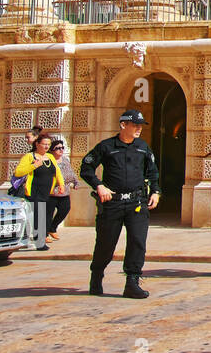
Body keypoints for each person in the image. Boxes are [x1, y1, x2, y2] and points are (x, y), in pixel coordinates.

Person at [80, 110, 160, 299]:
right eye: (135, 125)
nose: (139, 129)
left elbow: (152, 172)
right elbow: (86, 168)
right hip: (112, 203)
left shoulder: (142, 147)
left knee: (137, 242)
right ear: (123, 125)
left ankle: (132, 281)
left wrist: (156, 191)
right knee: (106, 244)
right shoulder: (107, 147)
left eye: (141, 125)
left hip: (137, 202)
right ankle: (97, 274)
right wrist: (99, 186)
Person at [14, 133, 62, 251]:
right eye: (44, 144)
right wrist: (33, 166)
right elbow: (18, 172)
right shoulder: (29, 157)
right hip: (34, 191)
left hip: (47, 192)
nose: (46, 147)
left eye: (48, 144)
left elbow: (57, 172)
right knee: (38, 217)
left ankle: (38, 239)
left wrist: (61, 184)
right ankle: (39, 242)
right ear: (37, 144)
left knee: (43, 216)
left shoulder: (50, 157)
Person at [45, 137, 79, 242]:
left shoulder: (65, 159)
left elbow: (71, 172)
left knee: (65, 209)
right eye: (57, 148)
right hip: (51, 192)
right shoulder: (48, 160)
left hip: (64, 191)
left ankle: (52, 228)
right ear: (51, 150)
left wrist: (75, 182)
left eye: (62, 147)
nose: (61, 150)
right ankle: (44, 234)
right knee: (48, 214)